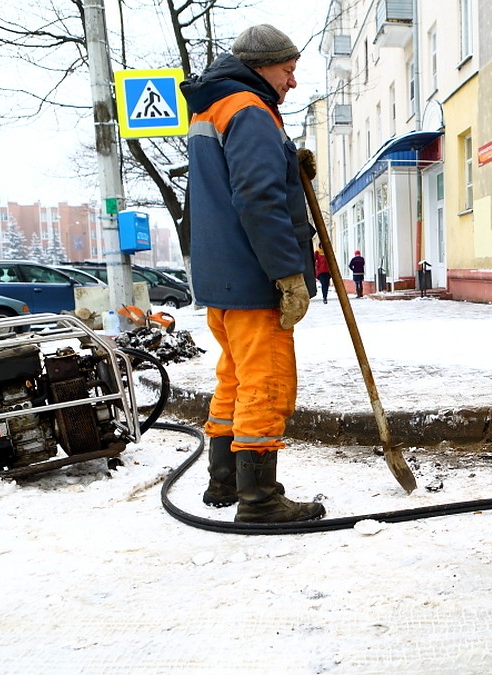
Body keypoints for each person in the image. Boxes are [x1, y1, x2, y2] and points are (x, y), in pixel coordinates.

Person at [181, 24, 325, 523]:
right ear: (262, 67)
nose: (292, 82)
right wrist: (287, 274)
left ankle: (224, 481)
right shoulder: (250, 109)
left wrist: (290, 162)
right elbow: (258, 199)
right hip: (254, 276)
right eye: (288, 70)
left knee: (235, 380)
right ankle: (260, 501)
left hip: (223, 279)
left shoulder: (212, 106)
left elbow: (232, 184)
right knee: (266, 384)